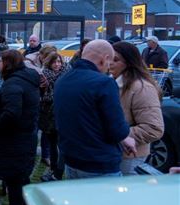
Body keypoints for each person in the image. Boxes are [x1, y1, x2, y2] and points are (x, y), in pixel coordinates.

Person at [54, 39, 137, 180]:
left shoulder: (63, 80)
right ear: (104, 59)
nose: (108, 68)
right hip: (99, 164)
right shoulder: (104, 83)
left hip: (71, 159)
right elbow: (117, 130)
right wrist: (126, 137)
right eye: (109, 63)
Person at [0, 50, 40, 205]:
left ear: (7, 63)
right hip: (25, 138)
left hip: (14, 141)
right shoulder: (26, 80)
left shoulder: (13, 84)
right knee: (21, 178)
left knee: (14, 181)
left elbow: (12, 113)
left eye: (0, 60)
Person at [110, 41, 164, 175]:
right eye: (108, 58)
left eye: (115, 59)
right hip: (114, 153)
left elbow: (154, 128)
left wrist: (118, 135)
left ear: (129, 62)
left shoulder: (141, 88)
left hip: (131, 157)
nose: (110, 63)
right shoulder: (111, 82)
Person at [38, 52, 69, 181]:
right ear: (49, 63)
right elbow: (41, 95)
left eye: (59, 62)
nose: (57, 64)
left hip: (62, 113)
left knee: (62, 144)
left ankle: (58, 171)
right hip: (47, 114)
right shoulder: (43, 75)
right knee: (52, 143)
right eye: (54, 62)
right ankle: (53, 168)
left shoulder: (67, 74)